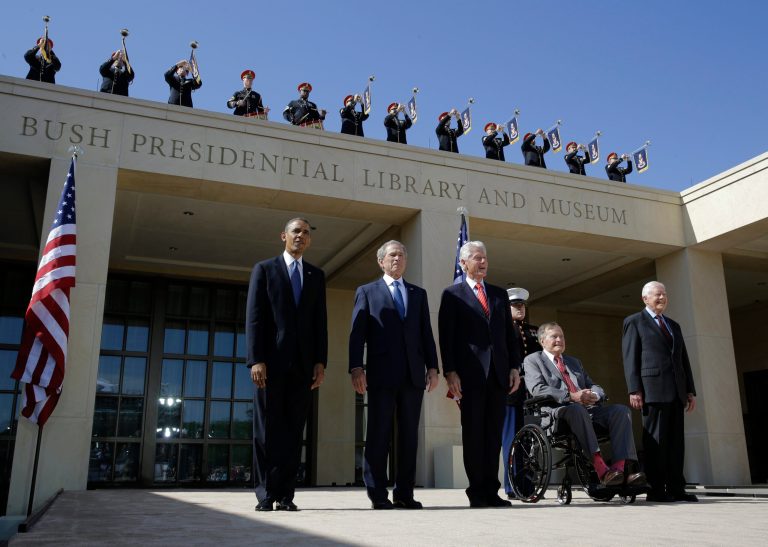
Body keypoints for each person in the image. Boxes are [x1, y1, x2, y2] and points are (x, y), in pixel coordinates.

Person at [348, 241, 439, 510]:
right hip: (381, 375)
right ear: (381, 261)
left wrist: (433, 368)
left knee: (409, 436)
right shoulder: (367, 292)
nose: (397, 259)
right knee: (379, 434)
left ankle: (404, 493)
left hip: (413, 376)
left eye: (401, 254)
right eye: (392, 255)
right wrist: (356, 367)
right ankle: (377, 493)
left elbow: (426, 334)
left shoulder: (418, 293)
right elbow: (357, 334)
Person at [246, 218, 328, 512]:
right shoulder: (265, 270)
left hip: (303, 368)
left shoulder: (315, 275)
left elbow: (320, 323)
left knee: (294, 432)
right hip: (270, 365)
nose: (301, 236)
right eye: (296, 231)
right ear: (283, 236)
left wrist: (320, 362)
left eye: (306, 233)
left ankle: (286, 495)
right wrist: (256, 359)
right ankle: (266, 493)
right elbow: (254, 318)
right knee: (268, 430)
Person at [438, 241, 522, 508]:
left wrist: (514, 367)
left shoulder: (498, 295)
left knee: (493, 435)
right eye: (477, 258)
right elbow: (446, 337)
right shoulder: (453, 294)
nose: (483, 262)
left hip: (498, 376)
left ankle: (491, 490)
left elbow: (509, 336)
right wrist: (450, 372)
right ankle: (476, 492)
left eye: (485, 257)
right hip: (470, 376)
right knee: (473, 435)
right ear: (463, 263)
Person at [525, 322, 647, 488]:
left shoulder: (574, 362)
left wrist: (594, 395)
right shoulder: (533, 360)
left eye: (561, 336)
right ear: (542, 341)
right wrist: (572, 396)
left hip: (588, 410)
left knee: (621, 410)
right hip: (558, 414)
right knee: (576, 409)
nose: (559, 339)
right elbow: (537, 388)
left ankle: (620, 470)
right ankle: (601, 469)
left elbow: (593, 384)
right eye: (554, 336)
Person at [622, 281, 697, 502]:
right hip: (652, 390)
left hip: (676, 391)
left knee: (676, 442)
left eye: (664, 294)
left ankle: (676, 488)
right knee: (656, 442)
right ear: (645, 298)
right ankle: (656, 489)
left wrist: (690, 390)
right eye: (657, 294)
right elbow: (630, 357)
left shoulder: (674, 325)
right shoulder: (634, 322)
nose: (662, 298)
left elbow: (683, 359)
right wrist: (634, 389)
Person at [501, 287, 541, 498]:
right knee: (511, 439)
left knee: (529, 442)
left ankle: (527, 484)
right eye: (515, 305)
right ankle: (511, 485)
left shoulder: (533, 331)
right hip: (511, 392)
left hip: (532, 393)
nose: (520, 308)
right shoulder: (501, 329)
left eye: (522, 305)